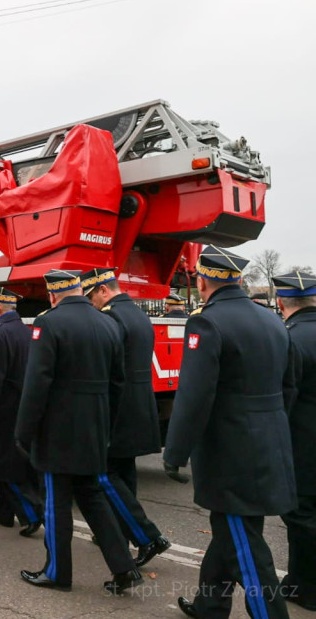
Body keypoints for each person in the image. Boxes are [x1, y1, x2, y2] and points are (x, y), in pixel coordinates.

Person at [164, 246, 295, 619]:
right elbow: (289, 385)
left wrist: (175, 453)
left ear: (203, 280)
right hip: (267, 440)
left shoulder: (207, 322)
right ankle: (211, 604)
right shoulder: (271, 318)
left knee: (244, 543)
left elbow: (194, 397)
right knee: (232, 529)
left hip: (231, 451)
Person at [14, 269, 141, 594]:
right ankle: (124, 567)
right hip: (94, 427)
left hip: (59, 430)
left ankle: (57, 572)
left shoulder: (48, 323)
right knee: (93, 496)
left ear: (52, 295)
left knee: (56, 500)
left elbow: (37, 383)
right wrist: (106, 425)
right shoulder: (108, 323)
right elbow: (118, 382)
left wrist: (24, 430)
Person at [82, 268, 170, 568]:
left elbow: (109, 370)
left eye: (91, 296)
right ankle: (120, 531)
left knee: (105, 473)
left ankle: (147, 537)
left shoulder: (111, 317)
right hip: (139, 404)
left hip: (117, 407)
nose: (91, 303)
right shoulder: (138, 314)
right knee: (124, 470)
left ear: (104, 290)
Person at [0, 285, 42, 538]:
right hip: (21, 409)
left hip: (2, 413)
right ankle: (3, 513)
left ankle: (32, 513)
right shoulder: (26, 332)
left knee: (4, 465)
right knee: (10, 462)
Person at [273, 270, 316, 611]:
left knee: (302, 517)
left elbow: (284, 397)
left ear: (281, 301)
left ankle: (305, 586)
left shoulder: (292, 339)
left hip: (304, 444)